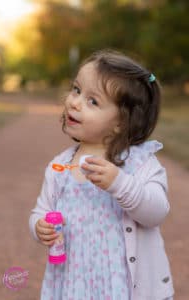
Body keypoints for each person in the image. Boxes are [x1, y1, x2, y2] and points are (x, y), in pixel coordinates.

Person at [29, 48, 174, 300]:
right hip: (74, 284)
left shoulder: (140, 164)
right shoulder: (60, 167)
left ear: (121, 122)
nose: (74, 102)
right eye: (76, 90)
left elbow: (157, 212)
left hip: (125, 287)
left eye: (92, 101)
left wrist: (119, 184)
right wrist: (39, 226)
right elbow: (41, 210)